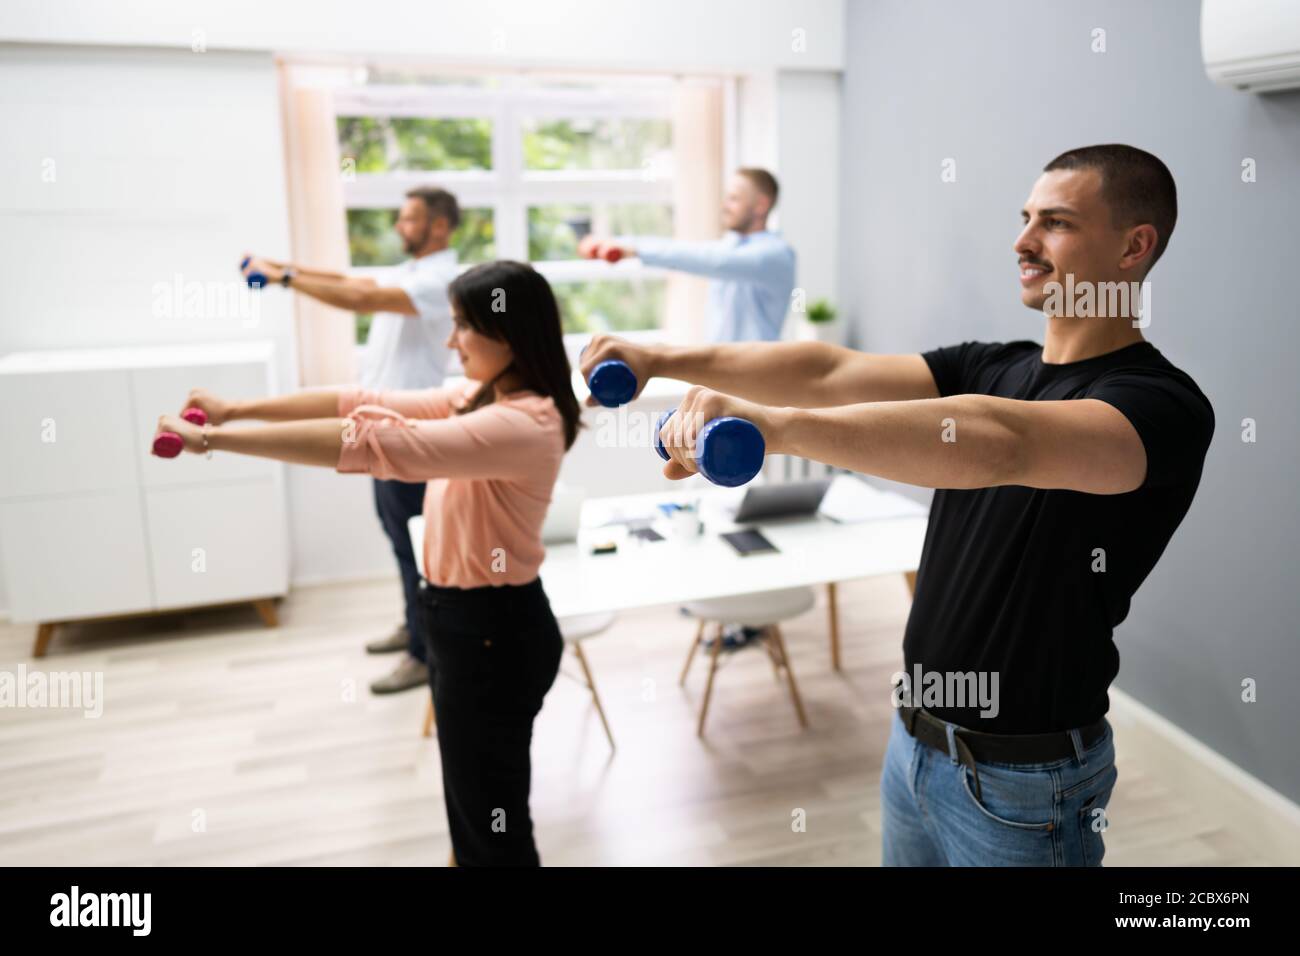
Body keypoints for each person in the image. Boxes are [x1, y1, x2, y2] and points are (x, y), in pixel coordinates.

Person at [580, 144, 1214, 867]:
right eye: (1026, 218)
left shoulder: (1160, 407)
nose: (1023, 241)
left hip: (1026, 785)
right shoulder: (995, 363)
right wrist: (663, 358)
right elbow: (828, 369)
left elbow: (1004, 442)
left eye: (1057, 223)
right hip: (913, 747)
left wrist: (774, 426)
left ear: (1134, 247)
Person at [156, 261, 583, 867]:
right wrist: (234, 409)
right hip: (465, 625)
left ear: (507, 335)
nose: (449, 340)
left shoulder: (524, 422)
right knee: (475, 807)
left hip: (493, 632)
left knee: (495, 820)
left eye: (462, 326)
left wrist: (217, 441)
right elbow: (359, 401)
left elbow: (376, 444)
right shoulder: (478, 397)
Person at [242, 186, 462, 695]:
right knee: (397, 536)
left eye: (410, 219)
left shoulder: (439, 279)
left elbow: (359, 298)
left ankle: (424, 656)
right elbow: (348, 281)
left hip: (411, 431)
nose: (399, 227)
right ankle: (416, 628)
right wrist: (281, 268)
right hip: (384, 423)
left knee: (416, 547)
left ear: (440, 227)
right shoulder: (410, 272)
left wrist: (285, 278)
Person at [587, 167, 796, 650]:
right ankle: (726, 604)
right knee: (712, 504)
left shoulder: (772, 255)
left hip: (756, 398)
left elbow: (702, 259)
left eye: (736, 197)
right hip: (717, 392)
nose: (726, 204)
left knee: (744, 509)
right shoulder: (736, 253)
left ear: (761, 205)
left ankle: (751, 615)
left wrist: (633, 247)